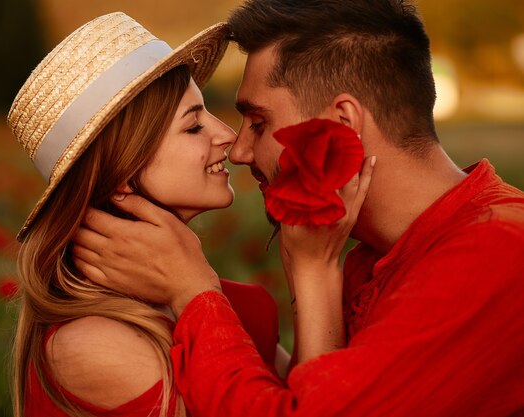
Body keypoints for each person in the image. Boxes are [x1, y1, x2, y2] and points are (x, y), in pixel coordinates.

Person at [71, 1, 524, 416]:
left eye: (260, 123)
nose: (240, 148)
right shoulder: (377, 257)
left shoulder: (495, 253)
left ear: (341, 123)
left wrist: (193, 291)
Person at [7, 12, 284, 417]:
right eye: (193, 127)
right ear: (121, 173)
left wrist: (313, 263)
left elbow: (316, 405)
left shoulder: (213, 298)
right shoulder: (94, 342)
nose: (226, 134)